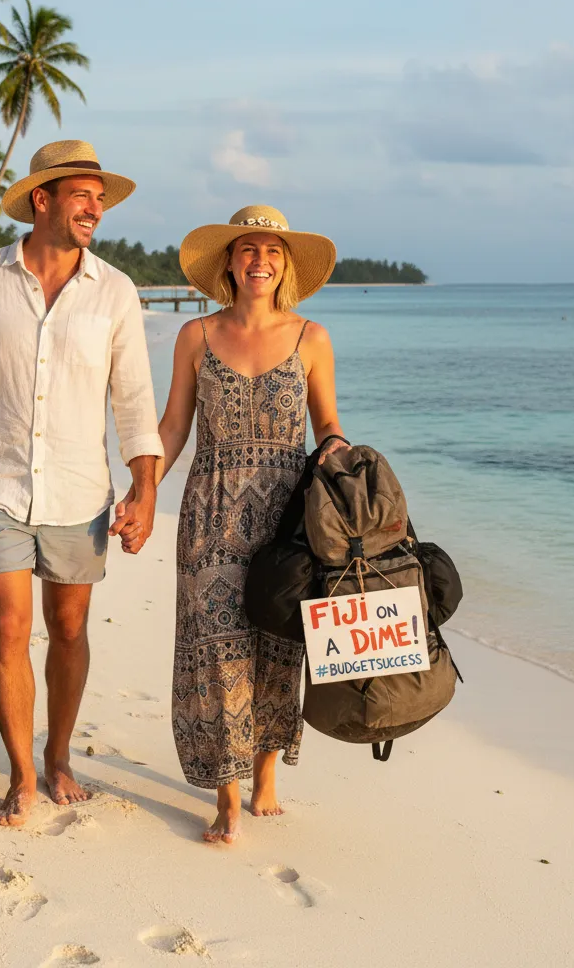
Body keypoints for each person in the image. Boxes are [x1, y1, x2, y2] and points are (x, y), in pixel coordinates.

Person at [0, 140, 163, 827]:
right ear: (42, 200)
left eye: (100, 199)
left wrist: (146, 490)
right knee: (10, 627)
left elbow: (134, 402)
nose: (95, 209)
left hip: (81, 491)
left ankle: (60, 756)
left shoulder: (116, 292)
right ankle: (21, 773)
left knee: (68, 626)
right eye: (83, 195)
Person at [121, 205, 348, 843]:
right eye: (247, 250)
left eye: (272, 252)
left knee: (279, 642)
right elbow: (172, 429)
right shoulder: (197, 337)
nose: (259, 261)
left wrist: (336, 450)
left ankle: (266, 774)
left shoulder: (312, 338)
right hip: (209, 511)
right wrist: (142, 494)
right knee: (217, 647)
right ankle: (226, 794)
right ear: (228, 261)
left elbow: (327, 422)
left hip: (288, 514)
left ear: (285, 265)